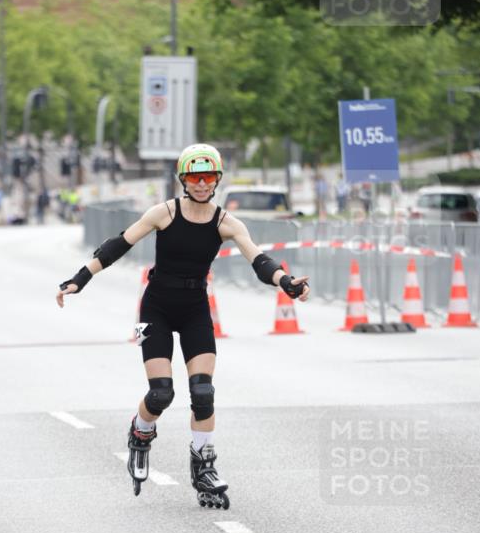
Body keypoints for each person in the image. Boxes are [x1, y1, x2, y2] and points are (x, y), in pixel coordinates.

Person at [55, 144, 310, 508]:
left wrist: (287, 282)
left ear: (218, 180)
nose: (202, 184)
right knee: (161, 393)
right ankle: (141, 435)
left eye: (209, 177)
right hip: (157, 307)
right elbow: (118, 245)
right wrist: (79, 279)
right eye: (194, 177)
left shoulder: (226, 222)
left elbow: (259, 259)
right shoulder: (164, 212)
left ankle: (203, 465)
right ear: (183, 180)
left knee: (203, 393)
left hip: (194, 310)